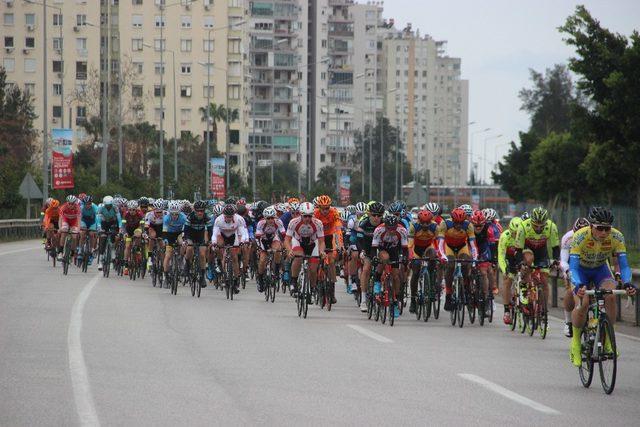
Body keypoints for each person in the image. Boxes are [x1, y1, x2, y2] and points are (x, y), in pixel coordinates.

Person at [568, 206, 636, 366]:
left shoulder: (617, 237)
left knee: (610, 296)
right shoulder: (580, 237)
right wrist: (578, 285)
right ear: (591, 226)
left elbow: (624, 266)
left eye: (607, 229)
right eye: (600, 228)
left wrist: (626, 282)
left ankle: (607, 338)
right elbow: (573, 267)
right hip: (581, 271)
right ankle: (576, 342)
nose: (604, 233)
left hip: (600, 270)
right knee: (583, 302)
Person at [513, 206, 560, 314]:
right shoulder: (524, 226)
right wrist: (521, 263)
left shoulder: (552, 226)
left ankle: (543, 310)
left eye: (541, 226)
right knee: (528, 260)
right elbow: (518, 249)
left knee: (544, 281)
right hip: (527, 248)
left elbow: (555, 247)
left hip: (542, 252)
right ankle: (524, 285)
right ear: (531, 221)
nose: (538, 228)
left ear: (545, 223)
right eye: (536, 225)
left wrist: (557, 260)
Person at [437, 207, 478, 311]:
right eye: (456, 222)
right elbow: (440, 244)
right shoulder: (445, 224)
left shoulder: (468, 226)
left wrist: (474, 259)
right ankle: (448, 295)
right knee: (450, 266)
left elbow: (473, 246)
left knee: (466, 263)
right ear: (452, 220)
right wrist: (442, 256)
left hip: (462, 247)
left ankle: (465, 288)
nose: (459, 225)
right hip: (448, 247)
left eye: (461, 222)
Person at [284, 202, 326, 299]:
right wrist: (289, 250)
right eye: (305, 216)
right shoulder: (293, 222)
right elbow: (287, 240)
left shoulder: (318, 223)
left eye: (309, 216)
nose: (307, 218)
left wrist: (322, 251)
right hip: (298, 241)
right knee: (298, 257)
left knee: (313, 268)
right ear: (301, 215)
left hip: (312, 242)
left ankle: (312, 287)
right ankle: (294, 281)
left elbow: (321, 242)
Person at [371, 215, 409, 318]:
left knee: (396, 276)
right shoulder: (379, 229)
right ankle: (377, 283)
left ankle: (395, 301)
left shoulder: (402, 230)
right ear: (385, 226)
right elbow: (374, 248)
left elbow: (405, 249)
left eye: (393, 228)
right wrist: (375, 257)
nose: (391, 231)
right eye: (389, 228)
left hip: (394, 251)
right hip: (382, 249)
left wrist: (405, 259)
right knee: (384, 258)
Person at [559, 217, 590, 337]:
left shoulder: (595, 235)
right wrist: (567, 272)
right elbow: (564, 260)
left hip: (590, 265)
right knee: (570, 291)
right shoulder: (568, 238)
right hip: (573, 266)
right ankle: (568, 321)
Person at [212, 204, 249, 293]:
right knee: (221, 251)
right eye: (227, 216)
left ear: (234, 215)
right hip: (222, 235)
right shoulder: (218, 220)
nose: (228, 218)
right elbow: (214, 234)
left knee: (235, 257)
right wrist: (214, 243)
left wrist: (241, 242)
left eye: (230, 216)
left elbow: (242, 233)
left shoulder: (239, 219)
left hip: (233, 235)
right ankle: (224, 273)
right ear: (223, 215)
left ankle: (236, 280)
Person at [355, 201, 385, 311]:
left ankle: (380, 287)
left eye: (379, 215)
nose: (376, 218)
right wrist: (361, 251)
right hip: (366, 247)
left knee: (384, 265)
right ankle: (363, 300)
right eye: (374, 215)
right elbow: (358, 240)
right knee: (366, 268)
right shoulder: (363, 223)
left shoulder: (384, 224)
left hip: (379, 247)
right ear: (369, 214)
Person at [407, 209, 439, 313]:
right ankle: (413, 299)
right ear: (419, 221)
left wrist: (439, 254)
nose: (425, 225)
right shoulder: (414, 226)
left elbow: (438, 242)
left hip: (428, 247)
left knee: (433, 256)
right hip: (416, 249)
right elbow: (410, 244)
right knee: (415, 272)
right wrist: (411, 257)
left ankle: (431, 284)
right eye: (423, 222)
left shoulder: (435, 227)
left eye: (427, 222)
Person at [314, 195, 343, 304]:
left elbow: (338, 231)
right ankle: (316, 282)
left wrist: (339, 245)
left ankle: (331, 291)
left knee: (331, 260)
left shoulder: (334, 212)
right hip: (318, 236)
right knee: (315, 259)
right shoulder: (315, 213)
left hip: (330, 235)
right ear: (319, 207)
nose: (325, 210)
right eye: (323, 208)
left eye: (327, 208)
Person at [255, 206, 286, 292]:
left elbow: (283, 234)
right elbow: (257, 237)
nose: (270, 220)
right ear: (265, 218)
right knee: (262, 260)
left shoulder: (278, 222)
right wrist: (259, 247)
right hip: (263, 240)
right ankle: (260, 279)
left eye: (272, 218)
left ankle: (276, 269)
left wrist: (284, 245)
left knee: (278, 250)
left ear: (275, 217)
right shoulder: (261, 223)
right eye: (268, 218)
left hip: (273, 238)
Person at [498, 217, 522, 324]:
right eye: (513, 233)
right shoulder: (505, 236)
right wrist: (504, 270)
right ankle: (506, 311)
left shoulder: (524, 236)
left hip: (519, 257)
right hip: (509, 259)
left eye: (518, 233)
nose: (515, 235)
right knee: (507, 281)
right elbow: (501, 256)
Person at [183, 200, 211, 287]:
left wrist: (209, 241)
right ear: (194, 210)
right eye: (198, 210)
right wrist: (187, 240)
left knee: (202, 254)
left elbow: (210, 231)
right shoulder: (190, 217)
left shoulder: (207, 217)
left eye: (202, 211)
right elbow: (186, 230)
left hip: (200, 235)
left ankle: (202, 277)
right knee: (190, 248)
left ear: (204, 211)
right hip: (190, 234)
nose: (200, 212)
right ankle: (187, 264)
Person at [162, 201, 187, 287]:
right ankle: (165, 277)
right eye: (172, 214)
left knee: (183, 243)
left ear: (179, 213)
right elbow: (164, 231)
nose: (174, 216)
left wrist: (184, 239)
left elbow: (185, 230)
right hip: (169, 234)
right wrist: (165, 239)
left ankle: (180, 258)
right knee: (168, 255)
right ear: (170, 213)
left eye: (176, 214)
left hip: (179, 233)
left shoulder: (183, 217)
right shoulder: (166, 218)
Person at [121, 200, 145, 275]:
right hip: (128, 230)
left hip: (137, 229)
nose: (132, 211)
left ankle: (137, 250)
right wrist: (124, 233)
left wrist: (142, 232)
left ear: (136, 209)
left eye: (133, 209)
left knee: (137, 235)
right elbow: (123, 226)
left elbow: (142, 226)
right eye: (130, 209)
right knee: (127, 246)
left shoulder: (140, 214)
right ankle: (126, 266)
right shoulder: (126, 214)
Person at [58, 195, 82, 260]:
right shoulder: (63, 207)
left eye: (72, 204)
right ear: (67, 203)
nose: (71, 205)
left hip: (74, 222)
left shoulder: (78, 208)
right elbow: (60, 219)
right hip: (66, 220)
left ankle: (72, 251)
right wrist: (60, 228)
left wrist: (78, 230)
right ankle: (60, 252)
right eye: (69, 203)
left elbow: (79, 220)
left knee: (74, 236)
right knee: (64, 232)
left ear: (75, 203)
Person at [79, 195, 100, 264]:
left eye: (89, 204)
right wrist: (79, 227)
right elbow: (79, 218)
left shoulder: (95, 207)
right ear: (84, 204)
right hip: (84, 221)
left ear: (91, 203)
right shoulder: (81, 207)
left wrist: (98, 226)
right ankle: (80, 249)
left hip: (92, 222)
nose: (88, 205)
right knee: (82, 233)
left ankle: (91, 250)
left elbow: (97, 218)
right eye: (86, 204)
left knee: (91, 234)